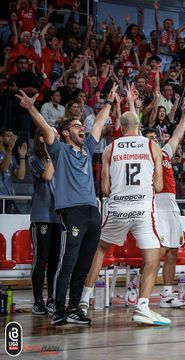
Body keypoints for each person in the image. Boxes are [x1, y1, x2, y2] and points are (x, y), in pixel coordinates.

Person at [16, 85, 118, 326]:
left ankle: (74, 308)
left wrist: (110, 102)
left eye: (80, 125)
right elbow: (44, 128)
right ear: (63, 133)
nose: (81, 128)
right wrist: (32, 108)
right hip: (71, 213)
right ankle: (58, 309)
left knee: (83, 264)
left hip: (92, 212)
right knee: (66, 263)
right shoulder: (59, 150)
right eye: (75, 126)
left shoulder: (88, 148)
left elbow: (97, 124)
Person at [80, 98, 169, 326]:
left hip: (118, 207)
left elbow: (105, 189)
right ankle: (142, 306)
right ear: (139, 125)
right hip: (142, 210)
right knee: (152, 258)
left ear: (120, 127)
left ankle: (83, 300)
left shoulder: (110, 148)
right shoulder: (152, 146)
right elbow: (159, 186)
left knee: (100, 249)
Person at [144, 98, 185, 309]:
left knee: (173, 251)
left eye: (155, 137)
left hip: (172, 206)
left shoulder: (164, 153)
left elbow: (178, 135)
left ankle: (167, 294)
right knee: (159, 251)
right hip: (154, 207)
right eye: (149, 137)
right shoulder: (142, 158)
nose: (153, 140)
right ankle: (137, 287)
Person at [28, 127, 61, 316]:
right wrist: (52, 154)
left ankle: (51, 299)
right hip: (42, 216)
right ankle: (38, 300)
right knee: (41, 259)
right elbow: (47, 176)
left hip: (58, 216)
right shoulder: (34, 159)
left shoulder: (59, 160)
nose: (55, 138)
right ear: (42, 138)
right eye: (51, 136)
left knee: (55, 261)